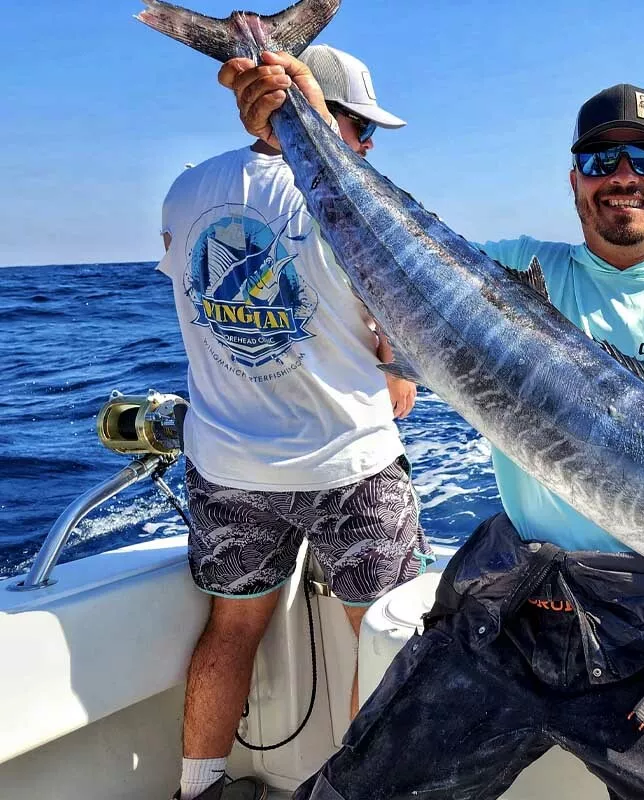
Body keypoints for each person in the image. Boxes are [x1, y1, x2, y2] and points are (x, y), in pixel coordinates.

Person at [222, 53, 644, 800]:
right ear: (576, 180)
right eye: (599, 158)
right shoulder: (514, 270)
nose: (623, 173)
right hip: (508, 610)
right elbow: (355, 250)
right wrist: (288, 132)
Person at [158, 45, 432, 800]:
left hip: (227, 467)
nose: (368, 148)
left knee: (232, 628)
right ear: (320, 114)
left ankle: (198, 788)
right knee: (377, 643)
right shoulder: (353, 209)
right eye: (362, 129)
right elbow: (398, 371)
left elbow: (185, 282)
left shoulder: (186, 190)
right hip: (351, 468)